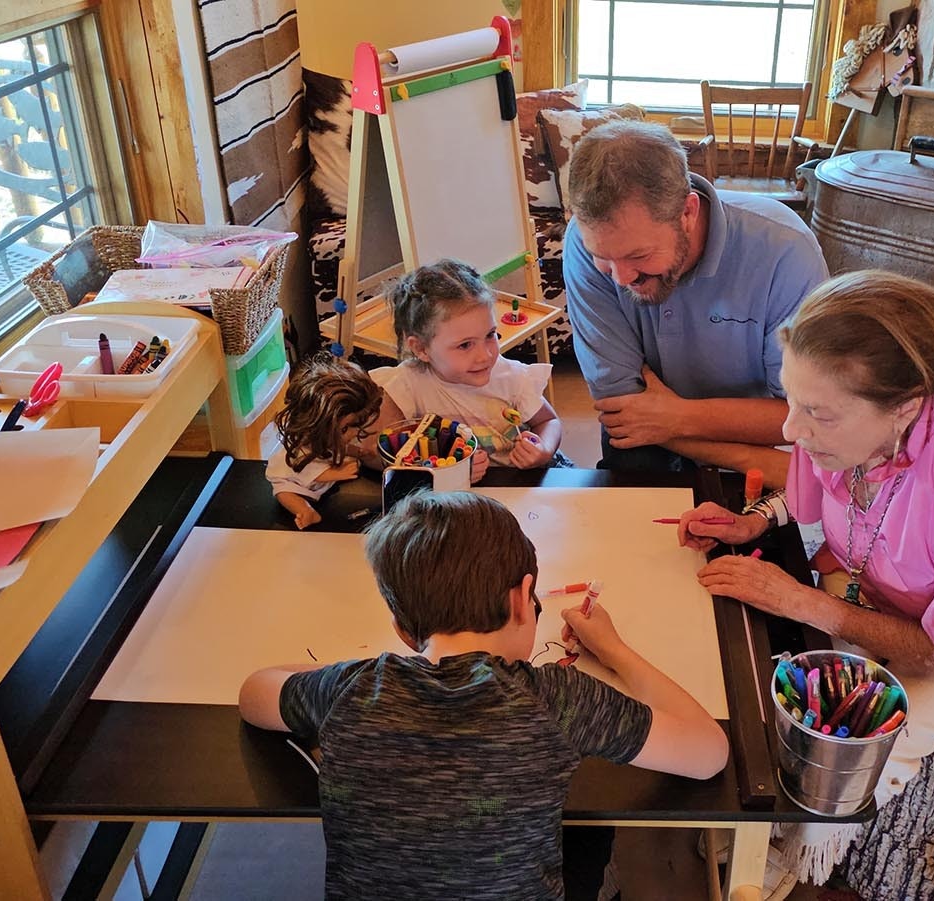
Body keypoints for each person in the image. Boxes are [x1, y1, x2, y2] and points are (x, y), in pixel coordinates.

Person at [677, 271, 934, 893]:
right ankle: (767, 812)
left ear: (905, 406)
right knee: (781, 674)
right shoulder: (862, 423)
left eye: (816, 412)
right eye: (790, 399)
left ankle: (797, 855)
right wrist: (751, 521)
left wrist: (808, 602)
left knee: (870, 736)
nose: (791, 430)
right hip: (888, 601)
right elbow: (814, 488)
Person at [238, 491, 730, 900]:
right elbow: (709, 753)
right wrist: (616, 650)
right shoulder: (558, 699)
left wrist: (346, 674)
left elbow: (255, 693)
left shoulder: (355, 687)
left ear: (403, 632)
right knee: (591, 828)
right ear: (523, 597)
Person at [562, 120, 828, 482]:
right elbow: (624, 413)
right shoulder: (582, 242)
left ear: (687, 212)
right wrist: (662, 422)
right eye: (603, 257)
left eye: (638, 255)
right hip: (649, 448)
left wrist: (675, 419)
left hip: (760, 450)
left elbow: (807, 415)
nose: (620, 278)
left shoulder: (785, 251)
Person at [371, 259, 567, 470]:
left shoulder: (509, 376)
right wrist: (447, 473)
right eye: (465, 345)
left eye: (490, 335)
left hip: (521, 479)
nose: (486, 355)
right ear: (421, 349)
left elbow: (548, 421)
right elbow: (385, 455)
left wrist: (543, 449)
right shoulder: (407, 385)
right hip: (455, 496)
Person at [266, 354, 386, 530]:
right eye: (345, 430)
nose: (351, 434)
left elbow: (342, 447)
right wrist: (339, 473)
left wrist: (357, 452)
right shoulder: (304, 449)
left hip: (322, 474)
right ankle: (306, 511)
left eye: (355, 426)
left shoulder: (331, 439)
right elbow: (313, 470)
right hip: (295, 478)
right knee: (284, 493)